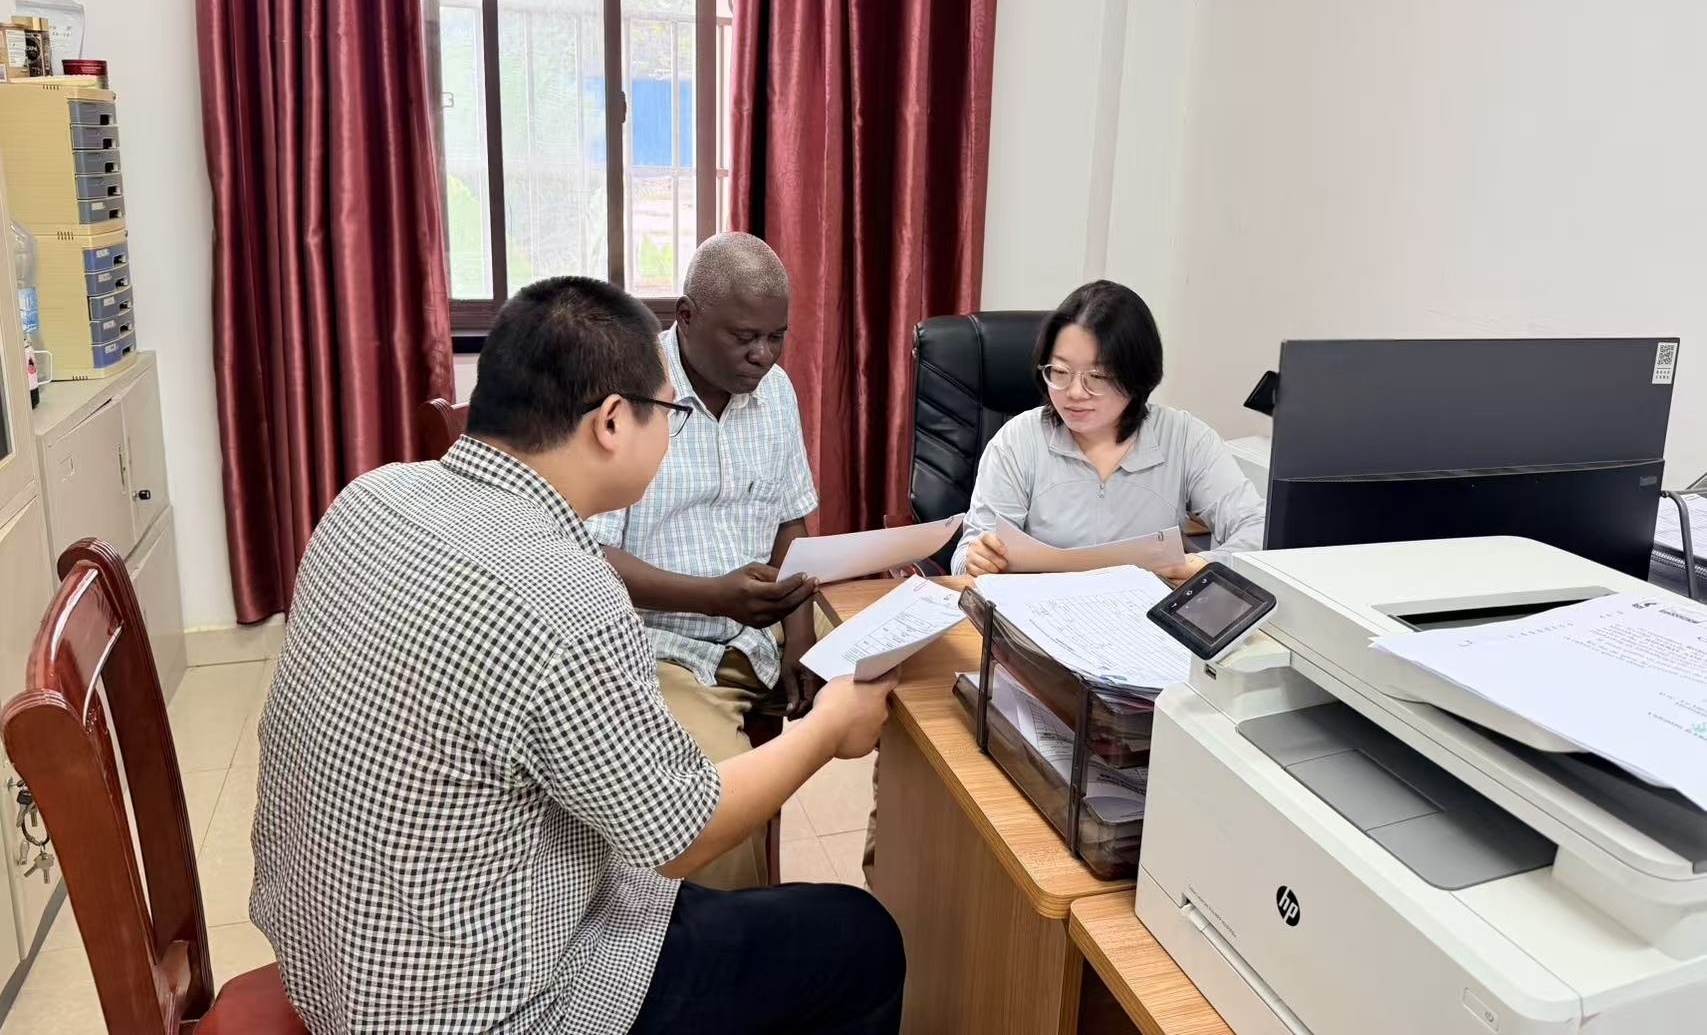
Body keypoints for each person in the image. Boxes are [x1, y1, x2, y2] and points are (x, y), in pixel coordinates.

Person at [251, 276, 905, 1035]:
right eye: (669, 411)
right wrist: (829, 727)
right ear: (611, 422)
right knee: (857, 938)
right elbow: (680, 831)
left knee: (713, 907)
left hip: (330, 958)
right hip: (478, 1008)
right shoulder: (568, 594)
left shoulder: (370, 496)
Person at [587, 232, 827, 891]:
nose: (763, 355)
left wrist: (800, 638)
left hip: (766, 620)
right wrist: (711, 596)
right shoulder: (626, 395)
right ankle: (739, 951)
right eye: (745, 336)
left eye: (777, 336)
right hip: (665, 645)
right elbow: (586, 556)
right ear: (686, 317)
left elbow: (790, 521)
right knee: (713, 807)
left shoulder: (773, 391)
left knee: (914, 694)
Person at [952, 279, 1265, 578]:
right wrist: (976, 559)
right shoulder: (1018, 441)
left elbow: (1258, 529)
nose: (1074, 392)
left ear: (1137, 376)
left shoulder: (1185, 439)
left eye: (1097, 377)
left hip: (1142, 620)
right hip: (1039, 618)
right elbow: (969, 552)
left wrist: (1205, 565)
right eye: (1059, 371)